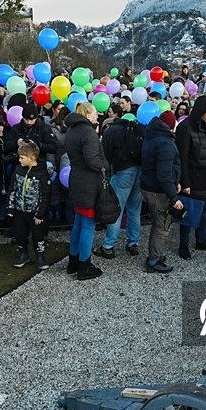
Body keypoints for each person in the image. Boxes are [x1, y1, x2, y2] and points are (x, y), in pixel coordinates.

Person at [63, 101, 106, 280]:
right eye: (95, 113)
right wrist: (104, 165)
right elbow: (92, 161)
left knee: (78, 223)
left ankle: (73, 261)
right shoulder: (88, 133)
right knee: (88, 224)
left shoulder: (71, 131)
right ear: (87, 115)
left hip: (76, 179)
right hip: (89, 183)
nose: (97, 116)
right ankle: (84, 264)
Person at [176, 94, 206, 258]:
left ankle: (200, 240)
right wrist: (185, 181)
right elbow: (182, 157)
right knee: (189, 211)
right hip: (192, 175)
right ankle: (184, 244)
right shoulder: (186, 128)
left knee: (203, 209)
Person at [97, 109, 144, 259]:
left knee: (116, 209)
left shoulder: (113, 131)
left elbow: (106, 156)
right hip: (140, 171)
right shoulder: (139, 130)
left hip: (123, 172)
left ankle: (109, 245)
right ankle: (133, 243)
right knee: (135, 209)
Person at [140, 111, 183, 272]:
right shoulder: (165, 143)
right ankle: (154, 260)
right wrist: (173, 196)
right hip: (158, 190)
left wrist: (175, 182)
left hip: (149, 186)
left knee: (157, 223)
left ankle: (154, 253)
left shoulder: (151, 136)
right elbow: (164, 173)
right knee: (162, 226)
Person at [7, 143, 50, 270]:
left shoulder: (42, 174)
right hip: (20, 210)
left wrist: (40, 214)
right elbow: (12, 188)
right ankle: (24, 254)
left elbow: (46, 195)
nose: (19, 160)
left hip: (35, 214)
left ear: (31, 158)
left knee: (38, 236)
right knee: (20, 234)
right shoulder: (18, 169)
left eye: (22, 158)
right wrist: (10, 207)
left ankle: (40, 257)